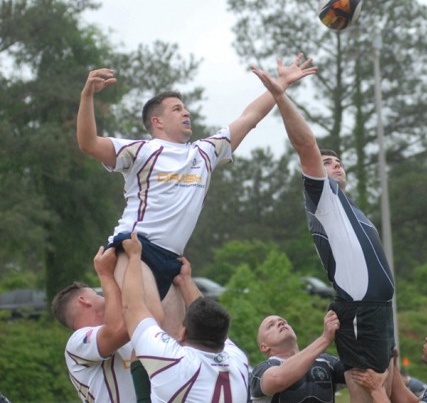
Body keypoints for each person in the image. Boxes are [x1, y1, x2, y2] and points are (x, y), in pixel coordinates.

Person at [77, 55, 317, 336]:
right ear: (157, 121)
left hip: (172, 260)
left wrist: (280, 84)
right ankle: (98, 351)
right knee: (148, 324)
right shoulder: (141, 151)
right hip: (134, 248)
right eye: (177, 109)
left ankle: (124, 359)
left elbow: (249, 118)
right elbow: (88, 143)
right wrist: (87, 97)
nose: (186, 112)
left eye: (186, 108)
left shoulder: (204, 152)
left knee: (178, 342)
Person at [251, 65, 395, 403]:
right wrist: (281, 95)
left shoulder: (350, 207)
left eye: (338, 161)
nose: (335, 165)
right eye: (327, 162)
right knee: (369, 390)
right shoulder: (324, 200)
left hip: (379, 308)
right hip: (359, 308)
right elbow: (305, 144)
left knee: (383, 391)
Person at [121, 233, 250, 402]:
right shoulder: (238, 361)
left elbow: (133, 309)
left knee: (138, 352)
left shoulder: (175, 362)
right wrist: (185, 281)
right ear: (223, 336)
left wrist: (134, 257)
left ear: (182, 334)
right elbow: (209, 317)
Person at [51, 246, 141, 402]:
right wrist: (105, 274)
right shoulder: (76, 342)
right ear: (83, 300)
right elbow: (118, 328)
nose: (103, 297)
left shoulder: (124, 333)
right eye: (96, 294)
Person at [250, 312, 345, 402]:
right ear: (264, 347)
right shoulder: (260, 371)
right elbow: (278, 379)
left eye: (283, 321)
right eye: (271, 325)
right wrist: (325, 339)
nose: (280, 323)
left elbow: (354, 370)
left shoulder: (326, 362)